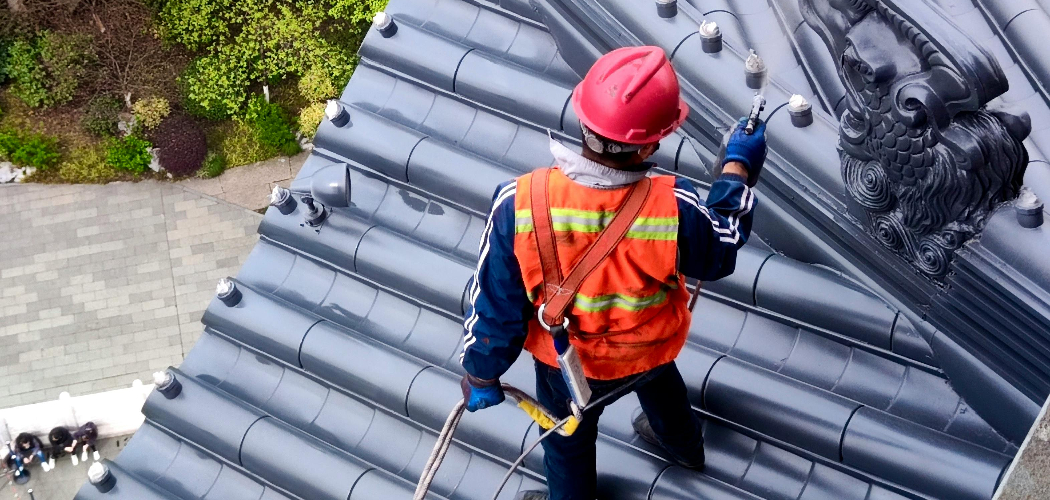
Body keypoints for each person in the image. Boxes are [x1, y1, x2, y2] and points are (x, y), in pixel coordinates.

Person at [459, 46, 764, 500]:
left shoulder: (519, 203)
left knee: (568, 443)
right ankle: (685, 448)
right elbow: (720, 249)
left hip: (567, 365)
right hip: (648, 347)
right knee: (661, 385)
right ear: (650, 143)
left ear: (584, 120)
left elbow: (497, 307)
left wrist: (481, 373)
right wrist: (737, 168)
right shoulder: (674, 208)